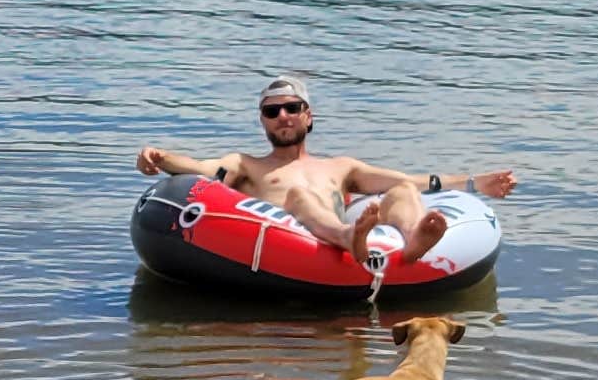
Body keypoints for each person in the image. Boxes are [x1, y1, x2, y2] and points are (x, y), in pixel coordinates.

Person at [135, 75, 518, 271]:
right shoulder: (247, 165)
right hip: (288, 237)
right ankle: (349, 236)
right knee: (299, 196)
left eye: (291, 108)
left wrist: (474, 183)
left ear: (308, 115)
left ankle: (414, 242)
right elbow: (203, 170)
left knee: (402, 190)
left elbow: (410, 180)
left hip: (347, 241)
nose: (282, 116)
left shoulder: (340, 167)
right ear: (263, 121)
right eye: (272, 111)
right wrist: (161, 157)